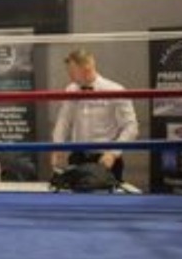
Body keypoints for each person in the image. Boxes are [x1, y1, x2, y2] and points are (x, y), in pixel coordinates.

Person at [52, 48, 139, 181]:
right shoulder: (71, 89)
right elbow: (64, 120)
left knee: (107, 199)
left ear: (86, 70)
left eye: (72, 71)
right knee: (75, 199)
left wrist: (113, 153)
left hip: (105, 158)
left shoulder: (115, 90)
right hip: (78, 157)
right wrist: (57, 146)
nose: (69, 75)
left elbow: (131, 127)